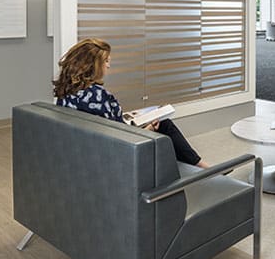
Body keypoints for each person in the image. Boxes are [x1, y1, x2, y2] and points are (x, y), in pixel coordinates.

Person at [53, 38, 210, 168]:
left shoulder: (65, 93)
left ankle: (196, 165)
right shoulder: (101, 97)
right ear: (92, 65)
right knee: (164, 124)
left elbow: (110, 127)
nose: (108, 65)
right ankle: (201, 166)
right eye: (106, 61)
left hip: (88, 147)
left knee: (161, 123)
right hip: (117, 151)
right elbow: (122, 140)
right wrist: (148, 130)